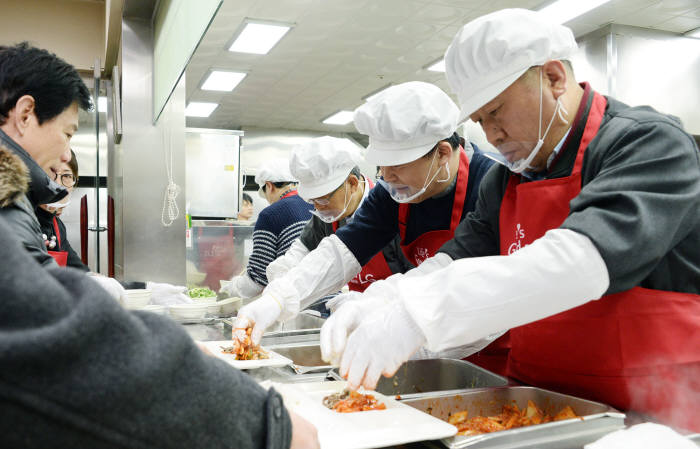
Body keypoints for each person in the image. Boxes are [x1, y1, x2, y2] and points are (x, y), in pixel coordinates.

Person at [326, 9, 700, 431]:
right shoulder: (506, 179)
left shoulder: (648, 143)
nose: (492, 135)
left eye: (497, 112)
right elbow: (456, 259)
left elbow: (581, 262)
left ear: (554, 78)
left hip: (654, 421)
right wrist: (385, 300)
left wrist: (419, 313)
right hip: (537, 410)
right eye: (481, 121)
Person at [0, 213, 319, 449]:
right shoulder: (16, 217)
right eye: (67, 131)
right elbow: (74, 348)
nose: (60, 169)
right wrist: (266, 423)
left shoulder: (29, 214)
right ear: (23, 119)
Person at [231, 81, 495, 347]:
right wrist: (279, 298)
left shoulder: (490, 183)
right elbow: (342, 250)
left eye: (397, 166)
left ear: (442, 153)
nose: (386, 176)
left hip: (490, 343)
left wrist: (375, 302)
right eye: (382, 165)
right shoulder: (394, 191)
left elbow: (453, 271)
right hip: (429, 338)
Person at [0, 43, 188, 304]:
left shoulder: (21, 200)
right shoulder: (6, 200)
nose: (66, 155)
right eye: (67, 133)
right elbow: (34, 307)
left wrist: (141, 289)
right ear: (25, 115)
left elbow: (64, 278)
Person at [264, 136, 411, 314]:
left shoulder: (390, 207)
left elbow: (418, 282)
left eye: (323, 198)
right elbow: (301, 253)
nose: (317, 206)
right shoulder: (327, 214)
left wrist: (374, 300)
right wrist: (281, 283)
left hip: (401, 312)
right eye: (312, 200)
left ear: (352, 183)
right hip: (356, 315)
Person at [220, 159, 313, 299]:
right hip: (326, 300)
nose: (268, 200)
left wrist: (230, 289)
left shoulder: (270, 214)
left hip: (295, 302)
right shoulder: (316, 205)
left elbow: (258, 280)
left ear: (269, 186)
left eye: (265, 194)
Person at [35, 149, 87, 270]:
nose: (58, 185)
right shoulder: (22, 220)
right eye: (50, 175)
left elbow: (80, 271)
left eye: (67, 176)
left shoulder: (57, 226)